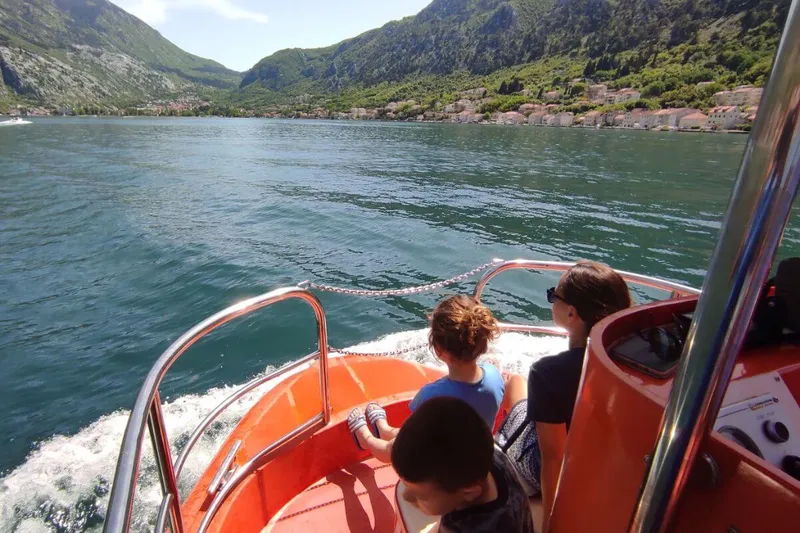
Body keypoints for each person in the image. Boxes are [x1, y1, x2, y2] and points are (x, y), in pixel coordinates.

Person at [495, 261, 631, 529]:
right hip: (609, 469)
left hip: (562, 472)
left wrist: (551, 524)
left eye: (552, 296)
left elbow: (554, 459)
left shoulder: (549, 373)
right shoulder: (637, 360)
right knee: (519, 387)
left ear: (571, 314)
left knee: (515, 404)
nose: (551, 300)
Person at [348, 294, 504, 463]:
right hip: (475, 460)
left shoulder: (432, 395)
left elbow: (414, 433)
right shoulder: (495, 375)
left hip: (439, 468)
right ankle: (385, 429)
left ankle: (366, 440)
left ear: (438, 350)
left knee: (395, 449)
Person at [392, 396, 534, 533]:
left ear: (469, 493)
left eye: (421, 497)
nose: (406, 496)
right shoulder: (491, 458)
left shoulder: (463, 529)